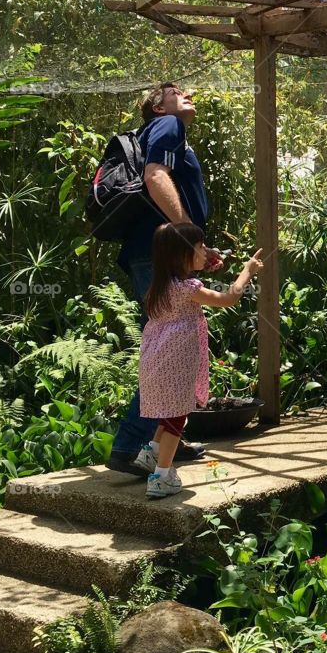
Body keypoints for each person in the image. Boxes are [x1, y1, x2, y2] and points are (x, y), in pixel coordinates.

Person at [107, 81, 224, 477]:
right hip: (156, 253)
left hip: (155, 253)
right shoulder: (169, 125)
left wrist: (197, 249)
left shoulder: (163, 130)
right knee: (167, 351)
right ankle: (131, 448)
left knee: (166, 349)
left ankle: (163, 443)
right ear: (159, 107)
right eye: (176, 92)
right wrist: (191, 237)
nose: (187, 94)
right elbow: (156, 177)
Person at [136, 222, 264, 499]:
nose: (205, 251)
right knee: (176, 419)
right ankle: (161, 476)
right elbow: (228, 298)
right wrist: (247, 271)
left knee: (169, 412)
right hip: (176, 364)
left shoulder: (160, 287)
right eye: (200, 247)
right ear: (182, 255)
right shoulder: (188, 288)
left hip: (155, 363)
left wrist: (203, 265)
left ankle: (151, 453)